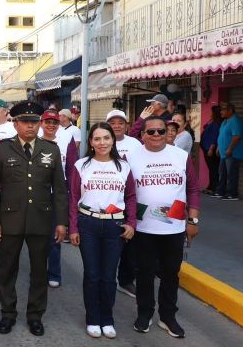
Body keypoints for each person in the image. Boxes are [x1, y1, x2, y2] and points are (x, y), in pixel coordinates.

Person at [0, 101, 68, 336]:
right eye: (25, 122)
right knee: (8, 269)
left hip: (41, 220)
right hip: (9, 219)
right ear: (16, 123)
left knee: (39, 271)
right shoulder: (3, 148)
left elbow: (60, 190)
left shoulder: (51, 149)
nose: (30, 127)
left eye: (34, 122)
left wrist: (61, 222)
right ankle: (8, 314)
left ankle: (35, 315)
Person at [129, 115, 200, 338]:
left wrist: (193, 220)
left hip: (175, 228)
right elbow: (127, 193)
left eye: (162, 131)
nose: (157, 135)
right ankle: (144, 314)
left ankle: (168, 317)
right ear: (142, 135)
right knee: (145, 274)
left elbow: (193, 189)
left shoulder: (180, 155)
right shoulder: (131, 157)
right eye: (151, 132)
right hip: (143, 228)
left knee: (171, 274)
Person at [68, 122, 137, 339]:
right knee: (92, 274)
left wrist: (132, 223)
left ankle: (107, 319)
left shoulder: (123, 166)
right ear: (90, 142)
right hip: (87, 224)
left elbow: (131, 197)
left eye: (106, 138)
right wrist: (73, 228)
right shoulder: (82, 165)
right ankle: (92, 319)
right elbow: (73, 199)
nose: (102, 143)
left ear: (113, 140)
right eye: (97, 139)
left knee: (108, 276)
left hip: (114, 226)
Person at [105, 109, 143, 299]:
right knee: (110, 242)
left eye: (121, 122)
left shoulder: (135, 144)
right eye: (113, 123)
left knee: (131, 243)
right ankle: (106, 278)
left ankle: (126, 280)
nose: (117, 126)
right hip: (109, 201)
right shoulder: (102, 142)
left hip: (131, 197)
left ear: (127, 126)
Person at [39, 109, 78, 289]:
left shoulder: (66, 137)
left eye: (54, 122)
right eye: (47, 122)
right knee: (38, 235)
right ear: (42, 123)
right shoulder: (35, 137)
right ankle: (38, 272)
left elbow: (71, 167)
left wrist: (71, 194)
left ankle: (54, 273)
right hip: (38, 192)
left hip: (58, 192)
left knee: (56, 234)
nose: (51, 125)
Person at [215, 102, 243, 201]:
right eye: (221, 110)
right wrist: (219, 147)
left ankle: (232, 194)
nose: (221, 112)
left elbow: (236, 137)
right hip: (224, 153)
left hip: (232, 153)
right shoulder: (225, 121)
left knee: (231, 174)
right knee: (222, 173)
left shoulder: (236, 121)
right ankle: (220, 192)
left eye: (223, 110)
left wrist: (229, 149)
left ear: (230, 110)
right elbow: (222, 136)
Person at [200, 106, 222, 195]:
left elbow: (214, 138)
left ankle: (214, 188)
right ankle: (210, 186)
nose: (210, 114)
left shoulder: (217, 124)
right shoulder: (212, 122)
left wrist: (211, 149)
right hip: (206, 148)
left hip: (210, 149)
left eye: (212, 112)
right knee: (211, 169)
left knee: (213, 169)